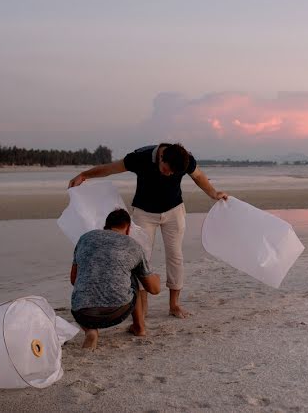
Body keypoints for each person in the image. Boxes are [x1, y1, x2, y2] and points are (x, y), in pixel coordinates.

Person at [68, 143, 227, 320]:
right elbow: (110, 169)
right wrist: (84, 175)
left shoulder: (184, 160)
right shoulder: (140, 158)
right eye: (167, 169)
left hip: (174, 211)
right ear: (161, 158)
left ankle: (174, 305)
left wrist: (213, 193)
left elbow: (198, 176)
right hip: (144, 213)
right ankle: (142, 310)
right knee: (141, 258)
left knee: (175, 256)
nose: (169, 174)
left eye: (174, 173)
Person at [71, 209, 161, 349]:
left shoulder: (85, 238)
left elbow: (73, 279)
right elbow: (154, 289)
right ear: (128, 228)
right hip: (116, 311)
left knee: (87, 279)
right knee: (132, 276)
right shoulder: (132, 245)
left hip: (82, 314)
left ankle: (90, 331)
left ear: (105, 226)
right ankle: (139, 327)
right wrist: (156, 277)